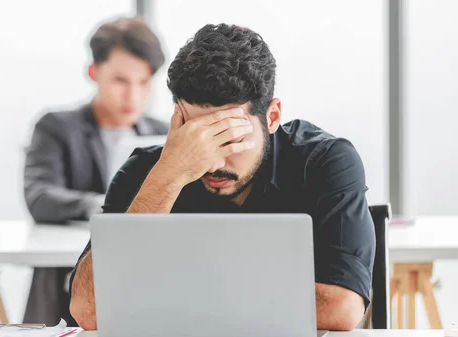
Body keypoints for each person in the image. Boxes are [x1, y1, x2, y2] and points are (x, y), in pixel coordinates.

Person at [69, 23, 376, 331]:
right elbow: (89, 310)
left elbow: (342, 308)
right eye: (196, 136)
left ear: (271, 117)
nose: (211, 161)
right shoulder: (147, 173)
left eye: (228, 138)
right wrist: (167, 177)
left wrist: (162, 294)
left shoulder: (325, 163)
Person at [23, 17, 168, 326]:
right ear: (93, 72)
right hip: (69, 276)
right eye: (120, 81)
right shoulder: (57, 127)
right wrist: (110, 206)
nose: (133, 95)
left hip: (146, 270)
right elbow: (40, 197)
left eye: (143, 82)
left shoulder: (163, 132)